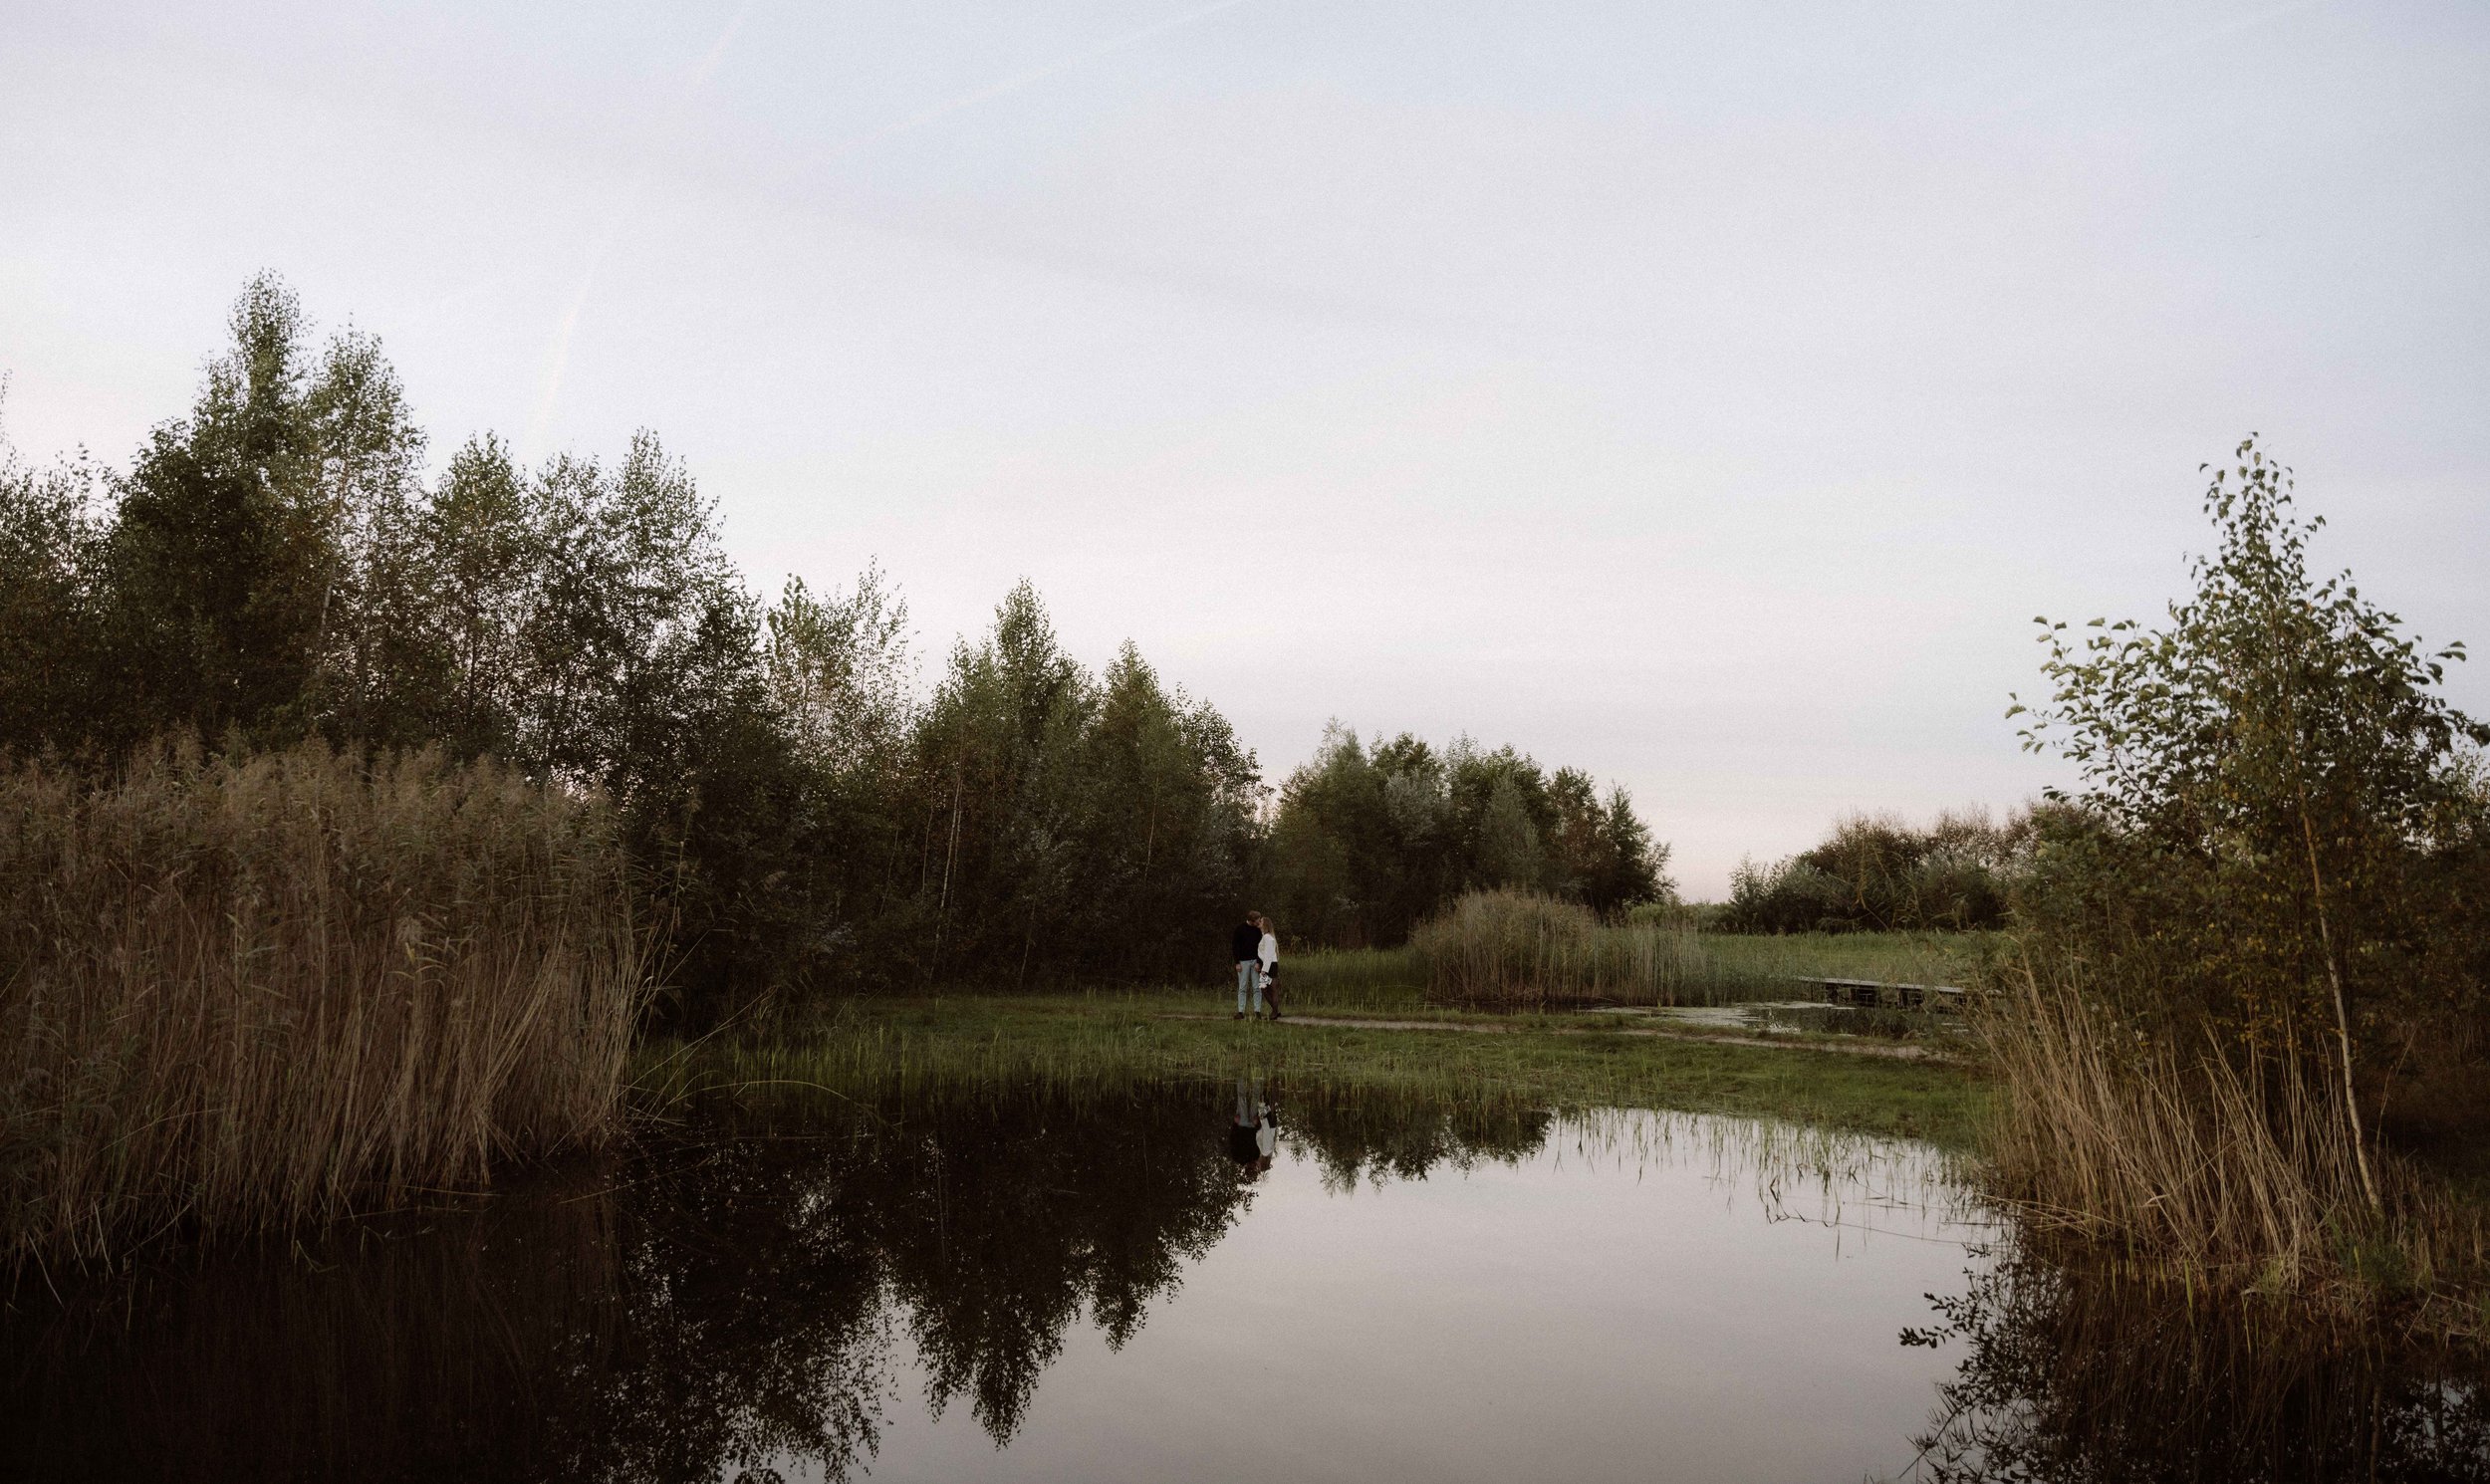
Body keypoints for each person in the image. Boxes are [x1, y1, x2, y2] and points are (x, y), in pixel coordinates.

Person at [1230, 912, 1264, 1019]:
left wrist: (1259, 962)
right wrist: (1237, 963)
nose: (1259, 922)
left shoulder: (1258, 930)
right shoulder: (1240, 929)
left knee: (1257, 987)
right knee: (1243, 987)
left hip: (1255, 961)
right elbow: (1235, 946)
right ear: (1252, 920)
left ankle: (1257, 1011)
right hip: (1243, 962)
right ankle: (1241, 1012)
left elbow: (1261, 947)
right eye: (1258, 920)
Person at [1256, 913, 1282, 1021]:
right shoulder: (1265, 936)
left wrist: (1264, 970)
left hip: (1269, 965)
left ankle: (1275, 1012)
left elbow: (1268, 955)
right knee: (1265, 988)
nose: (1259, 922)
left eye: (1261, 921)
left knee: (1270, 988)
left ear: (1265, 924)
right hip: (1269, 964)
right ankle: (1275, 1010)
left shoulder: (1267, 937)